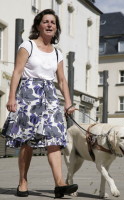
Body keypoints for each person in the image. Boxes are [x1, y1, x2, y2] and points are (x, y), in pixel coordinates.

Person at [2, 9, 78, 198]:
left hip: (51, 97)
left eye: (53, 22)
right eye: (46, 21)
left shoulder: (58, 54)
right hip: (28, 96)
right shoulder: (27, 46)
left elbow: (61, 81)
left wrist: (68, 103)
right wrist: (11, 98)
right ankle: (22, 182)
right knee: (28, 142)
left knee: (55, 141)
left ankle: (59, 183)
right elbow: (17, 72)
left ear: (56, 28)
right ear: (38, 25)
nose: (50, 24)